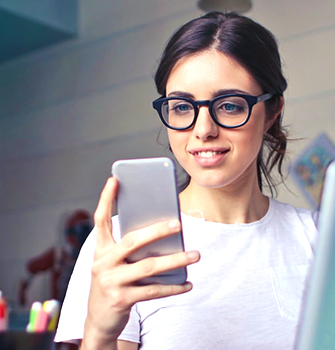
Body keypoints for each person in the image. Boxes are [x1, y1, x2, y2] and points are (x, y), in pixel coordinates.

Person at [54, 12, 317, 350]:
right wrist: (99, 333)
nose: (203, 129)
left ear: (272, 111)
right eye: (181, 107)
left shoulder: (319, 238)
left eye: (230, 106)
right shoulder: (123, 246)